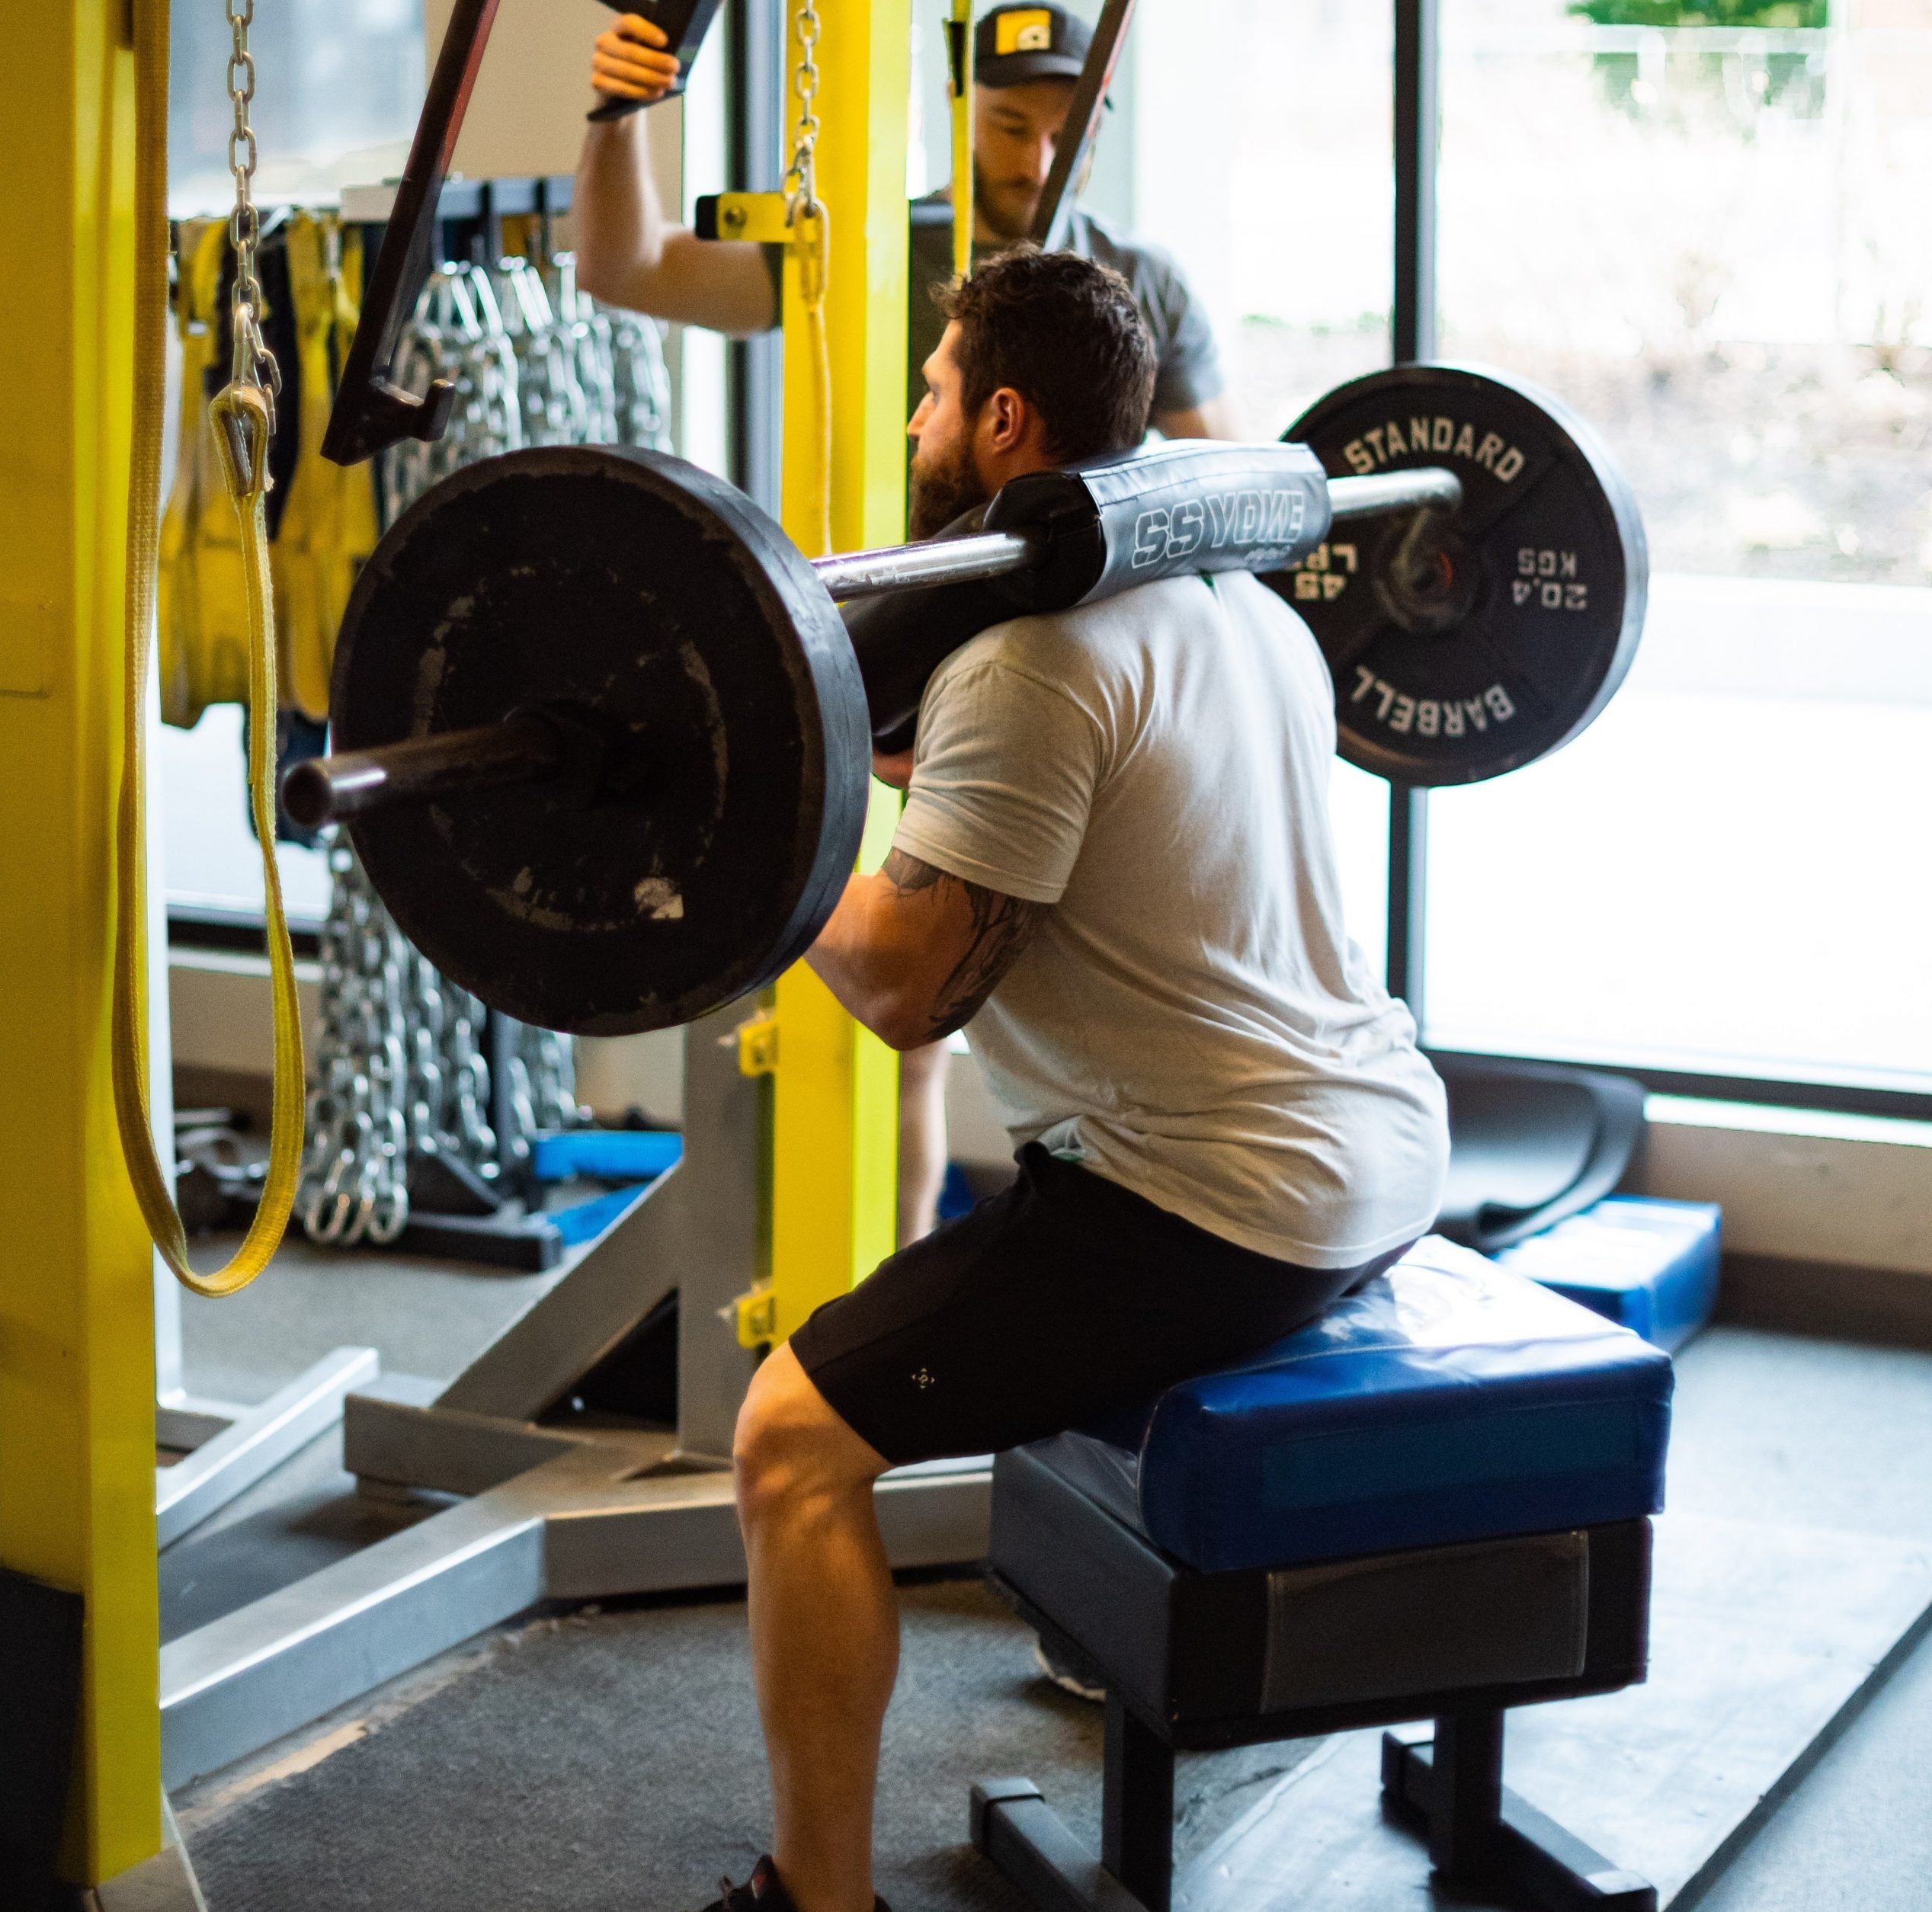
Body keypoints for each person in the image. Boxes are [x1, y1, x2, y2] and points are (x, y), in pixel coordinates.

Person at [694, 248, 1450, 1912]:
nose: (914, 413)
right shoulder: (1242, 615)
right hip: (1380, 1145)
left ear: (1004, 418)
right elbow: (1061, 792)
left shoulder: (1035, 667)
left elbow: (901, 982)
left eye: (933, 388)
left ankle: (815, 1897)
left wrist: (777, 825)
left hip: (1205, 1195)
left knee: (788, 1441)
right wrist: (883, 755)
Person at [575, 3, 1241, 1245]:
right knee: (859, 1026)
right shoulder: (878, 246)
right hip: (847, 678)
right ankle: (846, 1318)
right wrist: (619, 119)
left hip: (1027, 702)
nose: (1035, 161)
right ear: (956, 108)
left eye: (1064, 128)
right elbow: (629, 269)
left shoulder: (1141, 286)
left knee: (936, 1036)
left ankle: (908, 1320)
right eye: (1006, 125)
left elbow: (1217, 516)